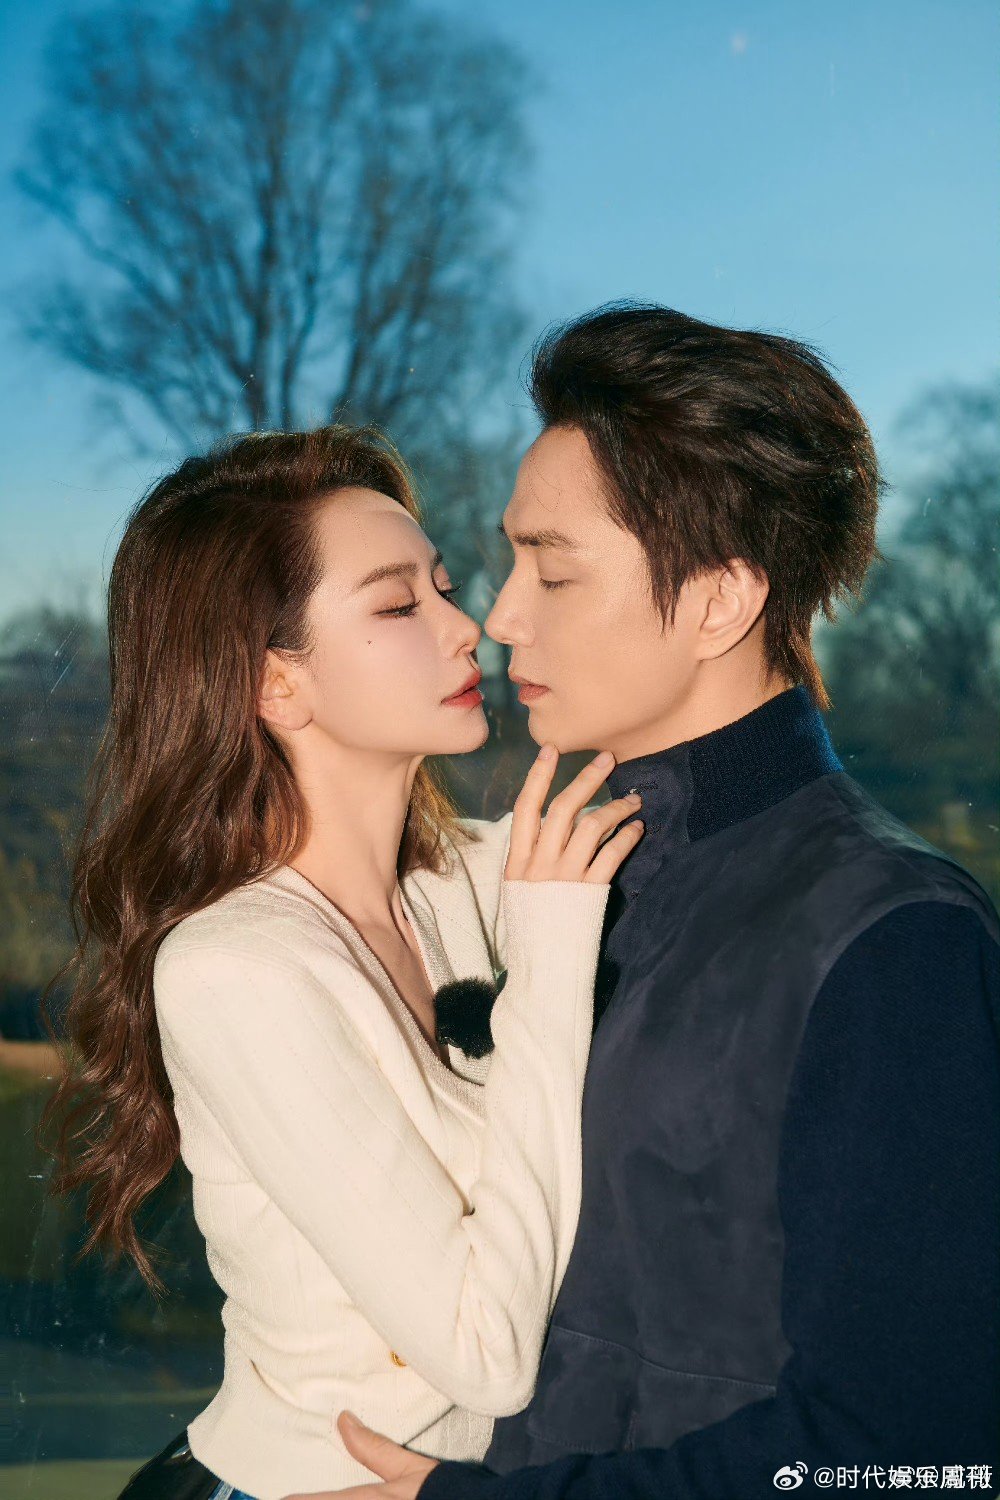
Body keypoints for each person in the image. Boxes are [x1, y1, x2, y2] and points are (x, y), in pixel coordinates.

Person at [314, 306, 1000, 1500]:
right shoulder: (563, 882)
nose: (502, 617)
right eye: (510, 561)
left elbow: (912, 1452)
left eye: (553, 569)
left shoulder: (896, 940)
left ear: (720, 600)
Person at [42, 424, 646, 1500]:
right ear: (277, 685)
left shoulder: (469, 883)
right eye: (398, 606)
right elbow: (486, 1356)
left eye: (443, 587)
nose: (467, 627)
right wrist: (551, 963)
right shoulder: (234, 968)